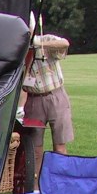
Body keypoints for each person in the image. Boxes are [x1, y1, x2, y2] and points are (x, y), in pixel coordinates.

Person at [22, 32, 75, 178]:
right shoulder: (18, 47)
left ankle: (59, 181)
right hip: (33, 99)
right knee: (35, 147)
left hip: (55, 96)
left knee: (60, 144)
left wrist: (39, 44)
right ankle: (35, 186)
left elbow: (65, 43)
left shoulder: (44, 40)